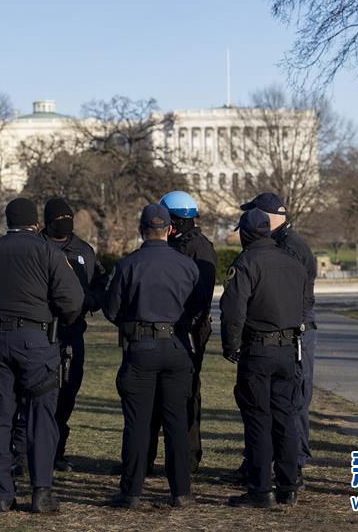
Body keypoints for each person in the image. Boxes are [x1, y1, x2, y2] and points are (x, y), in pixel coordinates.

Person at [0, 198, 83, 513]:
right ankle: (40, 492)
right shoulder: (48, 252)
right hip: (36, 341)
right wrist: (58, 321)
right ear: (36, 223)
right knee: (40, 418)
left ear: (6, 222)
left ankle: (1, 494)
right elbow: (72, 300)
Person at [103, 204, 205, 509]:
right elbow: (198, 308)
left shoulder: (128, 265)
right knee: (176, 422)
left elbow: (111, 310)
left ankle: (132, 492)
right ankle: (181, 491)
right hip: (176, 347)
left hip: (141, 347)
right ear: (170, 230)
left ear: (140, 230)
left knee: (138, 423)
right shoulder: (188, 266)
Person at [12, 198, 109, 473]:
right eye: (60, 219)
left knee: (67, 395)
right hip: (39, 333)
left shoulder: (83, 250)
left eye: (69, 218)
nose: (65, 224)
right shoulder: (36, 248)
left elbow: (102, 283)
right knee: (31, 395)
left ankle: (55, 452)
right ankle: (22, 454)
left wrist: (89, 301)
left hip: (72, 333)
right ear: (47, 221)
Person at [221, 209, 308, 508]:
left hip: (258, 349)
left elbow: (234, 310)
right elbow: (306, 302)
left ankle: (260, 489)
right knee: (284, 417)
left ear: (246, 234)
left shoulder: (246, 262)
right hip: (288, 349)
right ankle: (289, 485)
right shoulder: (293, 263)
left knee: (258, 419)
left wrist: (231, 346)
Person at [233, 192, 316, 486]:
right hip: (286, 339)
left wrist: (295, 327)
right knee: (280, 410)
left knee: (284, 409)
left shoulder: (290, 247)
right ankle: (280, 474)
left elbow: (304, 296)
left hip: (281, 339)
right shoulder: (282, 247)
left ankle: (286, 471)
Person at [143, 190, 217, 474]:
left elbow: (201, 297)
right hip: (177, 328)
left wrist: (186, 326)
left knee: (186, 394)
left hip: (188, 330)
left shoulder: (196, 247)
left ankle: (187, 457)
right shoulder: (182, 244)